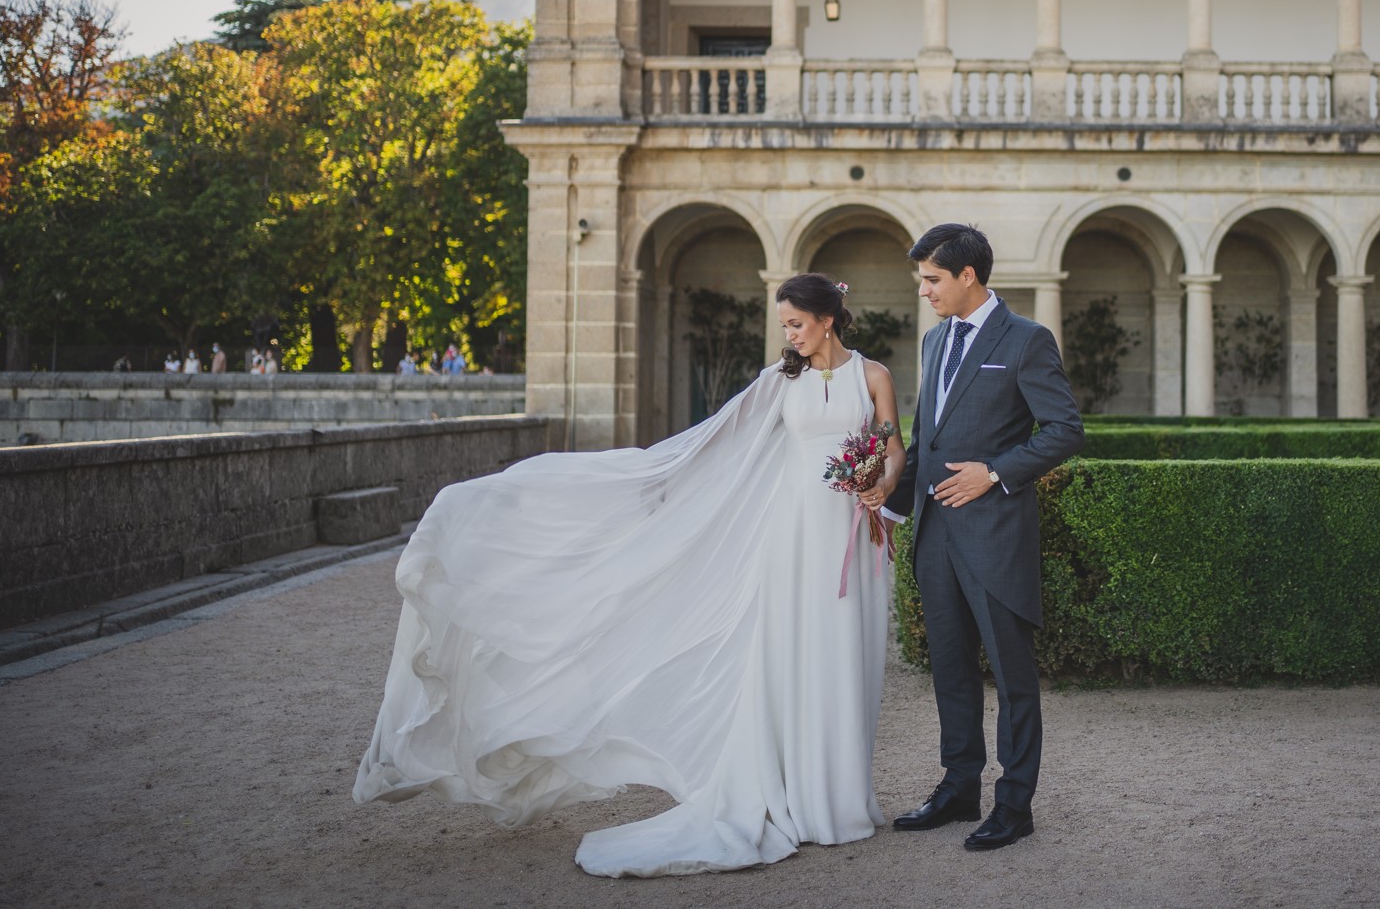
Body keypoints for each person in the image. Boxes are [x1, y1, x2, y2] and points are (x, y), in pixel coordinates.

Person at [354, 272, 908, 879]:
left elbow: (891, 444)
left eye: (797, 324)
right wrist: (655, 483)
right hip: (794, 534)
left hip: (854, 533)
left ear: (827, 319)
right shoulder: (779, 381)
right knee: (792, 656)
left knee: (846, 655)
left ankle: (841, 798)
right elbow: (716, 442)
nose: (790, 336)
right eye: (785, 327)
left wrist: (881, 482)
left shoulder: (872, 375)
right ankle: (797, 796)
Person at [879, 223, 1084, 852]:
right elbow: (927, 438)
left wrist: (995, 472)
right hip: (935, 535)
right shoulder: (937, 339)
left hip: (995, 535)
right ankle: (959, 786)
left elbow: (1064, 429)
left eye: (932, 279)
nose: (924, 291)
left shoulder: (1025, 340)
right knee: (950, 669)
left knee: (1012, 675)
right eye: (922, 279)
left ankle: (1014, 804)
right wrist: (887, 511)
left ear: (968, 275)